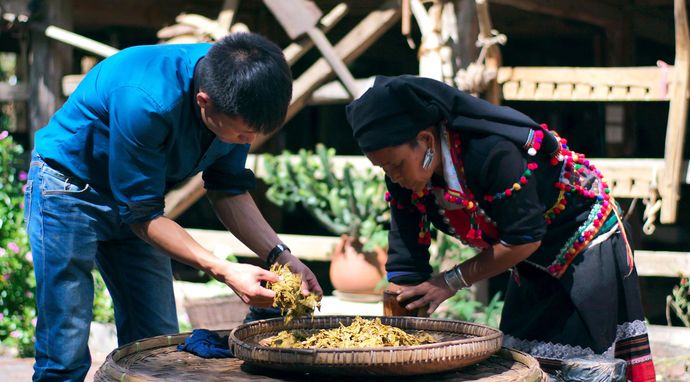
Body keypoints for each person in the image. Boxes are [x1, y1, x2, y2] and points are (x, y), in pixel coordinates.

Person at [24, 32, 322, 381]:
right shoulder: (147, 100)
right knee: (65, 349)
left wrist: (281, 256)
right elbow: (142, 214)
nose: (249, 141)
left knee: (157, 345)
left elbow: (227, 189)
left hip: (140, 203)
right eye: (243, 135)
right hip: (69, 189)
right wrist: (224, 270)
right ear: (203, 101)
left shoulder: (241, 95)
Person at [345, 75, 656, 381]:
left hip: (583, 243)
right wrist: (396, 341)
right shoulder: (404, 178)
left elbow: (524, 239)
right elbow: (406, 262)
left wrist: (450, 281)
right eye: (384, 168)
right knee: (521, 362)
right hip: (530, 257)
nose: (393, 175)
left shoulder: (490, 153)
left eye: (397, 164)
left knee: (581, 370)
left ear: (426, 140)